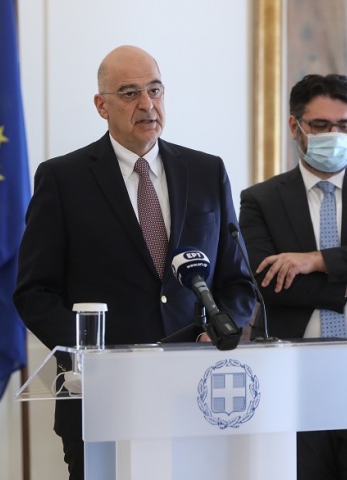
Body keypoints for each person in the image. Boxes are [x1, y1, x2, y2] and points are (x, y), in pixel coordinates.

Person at [14, 45, 256, 480]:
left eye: (155, 89)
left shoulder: (206, 171)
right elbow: (35, 292)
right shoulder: (63, 179)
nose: (147, 104)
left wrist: (220, 333)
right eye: (129, 93)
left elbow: (238, 284)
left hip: (195, 394)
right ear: (101, 105)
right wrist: (91, 353)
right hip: (103, 400)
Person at [239, 74, 347, 480]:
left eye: (343, 125)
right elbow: (267, 284)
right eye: (320, 125)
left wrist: (315, 260)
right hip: (292, 378)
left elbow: (297, 278)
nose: (334, 135)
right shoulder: (260, 200)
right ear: (294, 126)